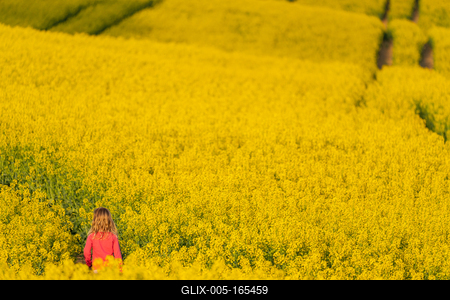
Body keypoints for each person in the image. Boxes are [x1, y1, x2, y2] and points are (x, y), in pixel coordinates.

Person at [84, 207, 122, 272]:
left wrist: (89, 264)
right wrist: (120, 270)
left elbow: (86, 252)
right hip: (110, 269)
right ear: (109, 220)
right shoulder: (113, 236)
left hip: (97, 268)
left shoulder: (91, 236)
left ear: (95, 220)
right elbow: (117, 255)